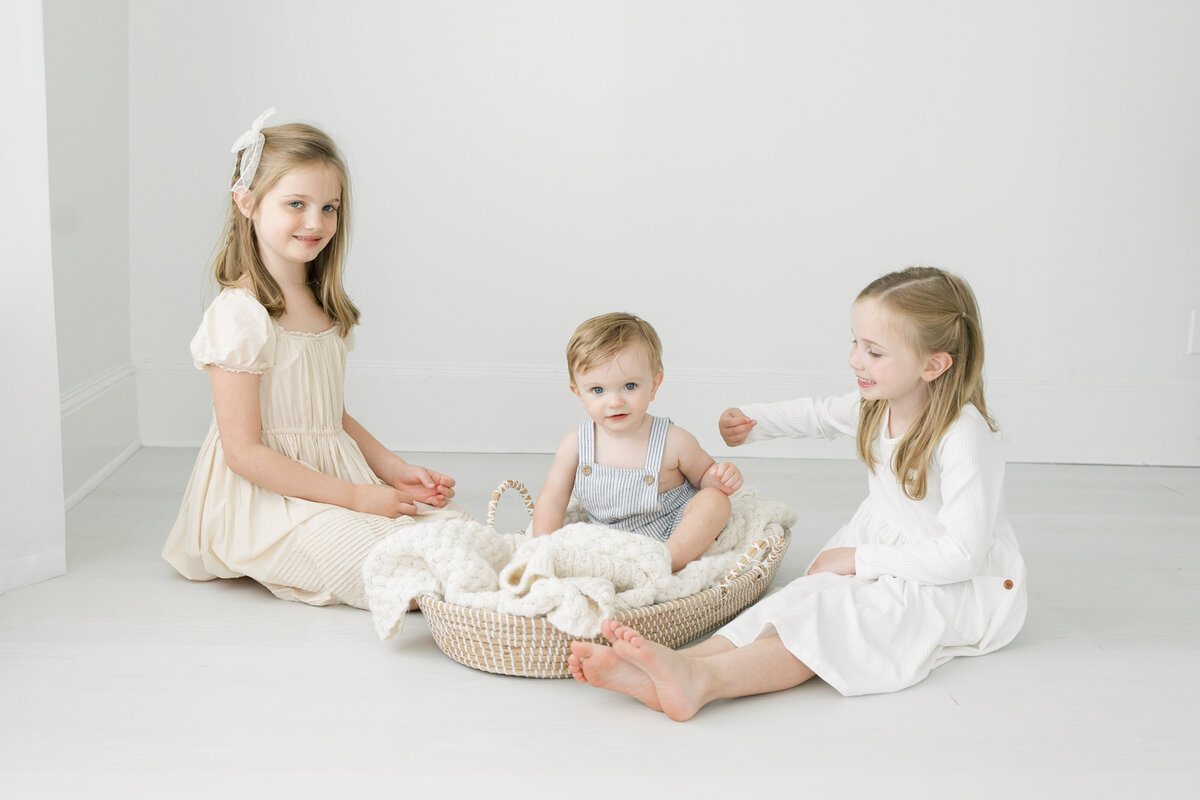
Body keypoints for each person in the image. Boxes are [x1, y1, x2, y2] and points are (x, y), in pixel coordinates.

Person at [567, 267, 1027, 720]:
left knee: (831, 622)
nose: (855, 360)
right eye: (855, 342)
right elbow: (819, 415)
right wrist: (753, 421)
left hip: (951, 582)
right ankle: (685, 663)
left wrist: (858, 559)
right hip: (883, 551)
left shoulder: (963, 436)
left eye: (874, 351)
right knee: (794, 601)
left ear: (933, 364)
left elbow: (963, 555)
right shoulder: (878, 404)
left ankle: (703, 681)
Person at [162, 109, 466, 609]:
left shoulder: (324, 306)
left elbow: (331, 417)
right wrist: (354, 498)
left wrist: (392, 470)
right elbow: (244, 453)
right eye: (296, 204)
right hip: (263, 497)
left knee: (450, 533)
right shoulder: (240, 314)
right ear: (247, 202)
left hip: (332, 478)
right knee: (394, 569)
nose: (315, 222)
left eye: (329, 207)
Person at [531, 313, 743, 572]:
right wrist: (544, 549)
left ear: (654, 385)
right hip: (604, 538)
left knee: (715, 501)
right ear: (578, 394)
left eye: (629, 386)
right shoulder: (575, 444)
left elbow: (704, 477)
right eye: (598, 390)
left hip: (669, 530)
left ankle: (668, 562)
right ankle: (618, 567)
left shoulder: (673, 440)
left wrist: (718, 478)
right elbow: (552, 499)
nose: (615, 402)